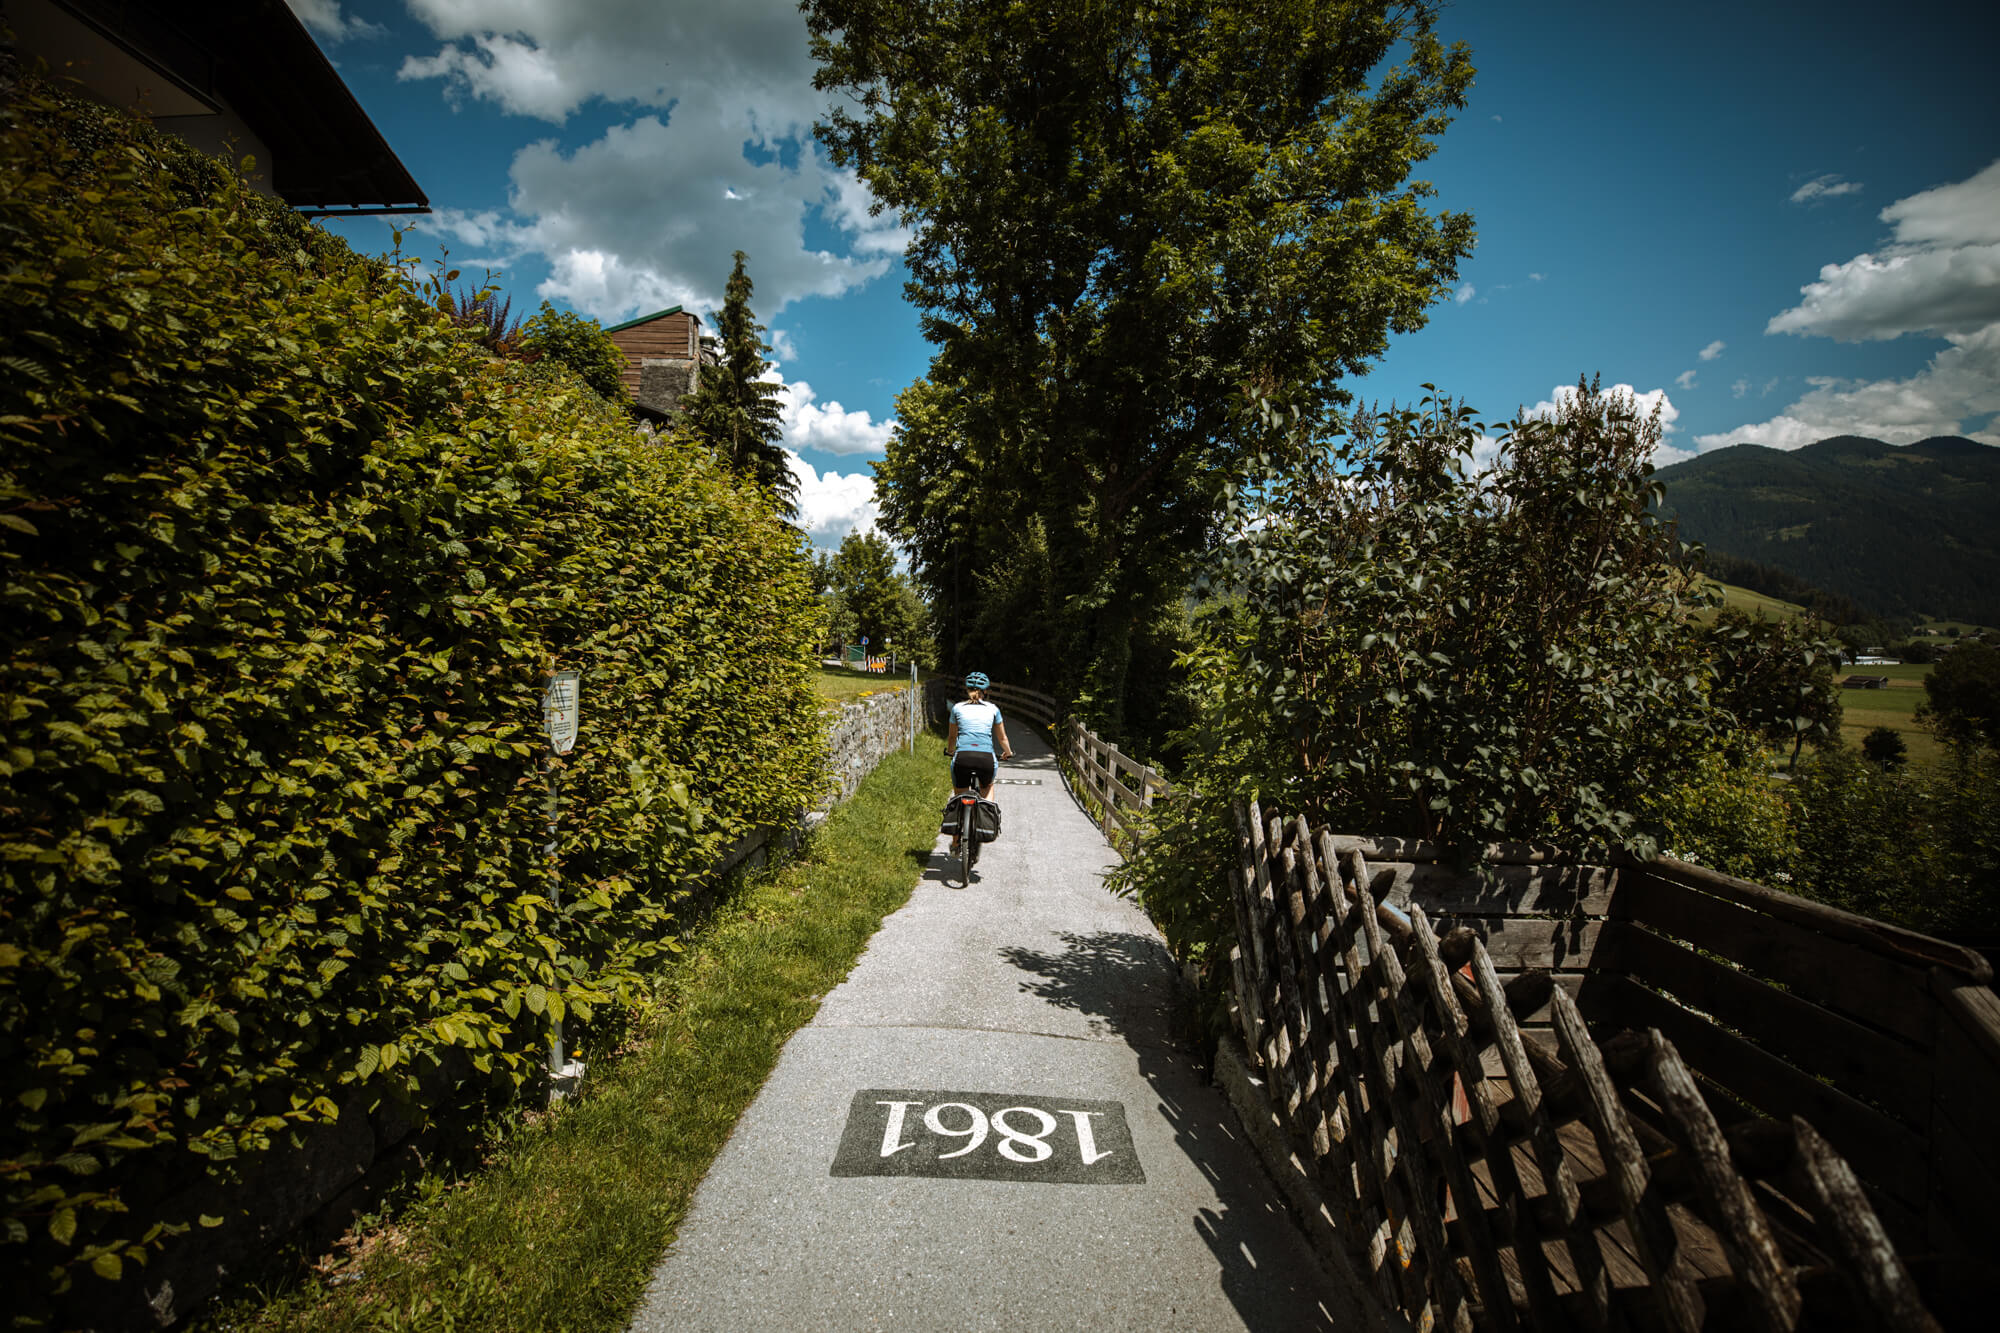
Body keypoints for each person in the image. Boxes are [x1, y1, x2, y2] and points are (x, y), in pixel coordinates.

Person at [945, 671, 1013, 852]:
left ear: (967, 690)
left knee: (959, 796)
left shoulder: (957, 708)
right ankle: (984, 821)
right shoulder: (993, 709)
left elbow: (952, 737)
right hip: (985, 759)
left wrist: (950, 752)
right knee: (988, 787)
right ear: (986, 691)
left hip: (963, 758)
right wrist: (1008, 753)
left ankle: (955, 842)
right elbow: (1002, 738)